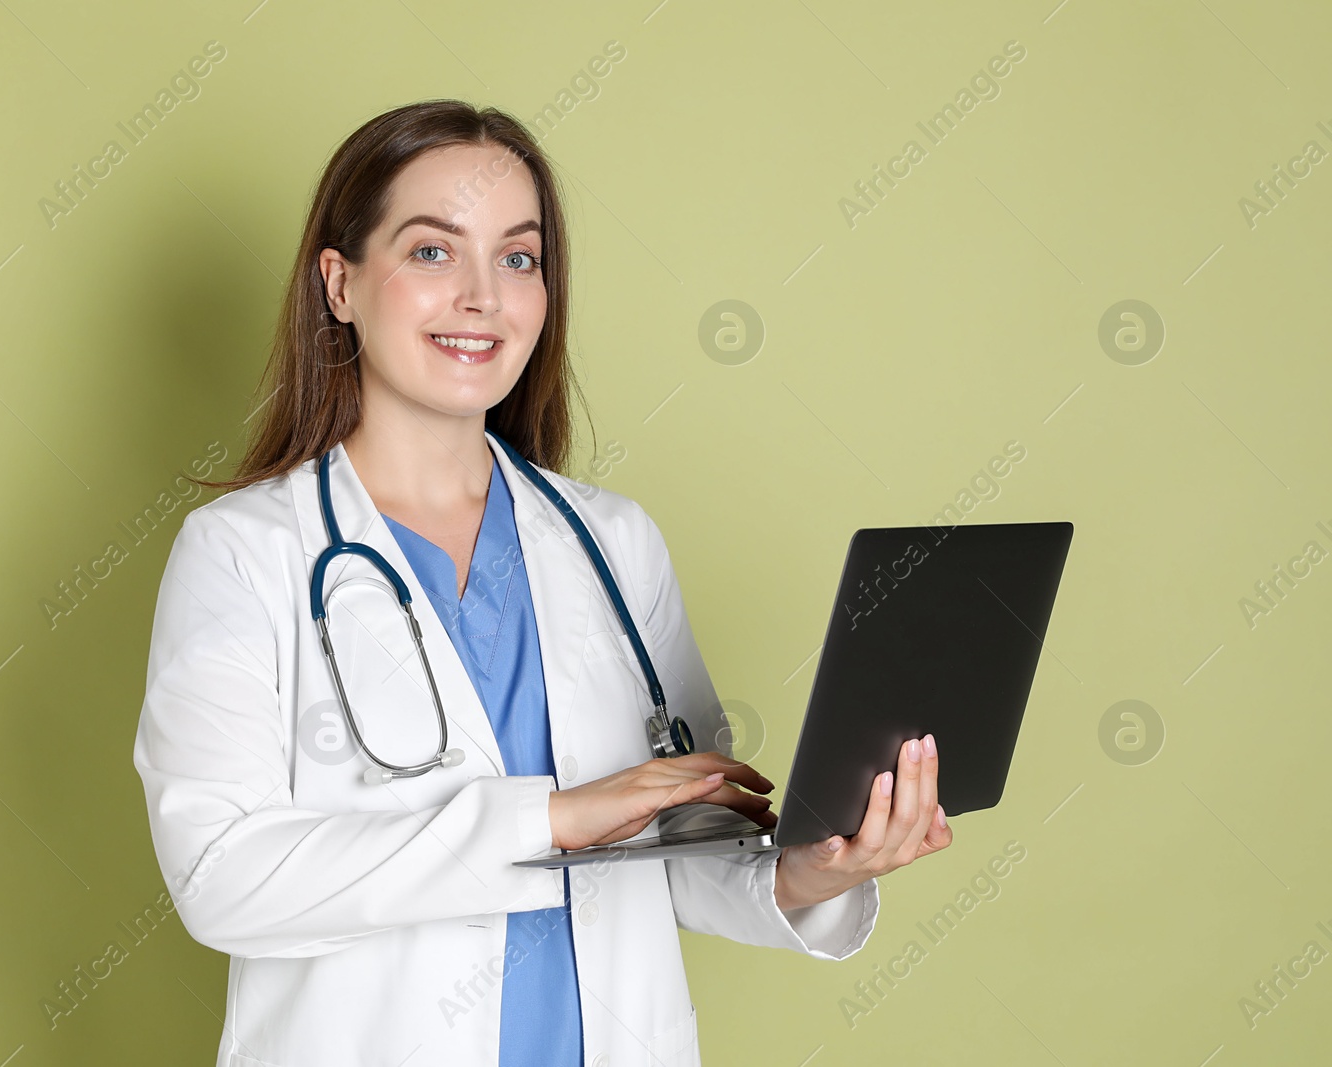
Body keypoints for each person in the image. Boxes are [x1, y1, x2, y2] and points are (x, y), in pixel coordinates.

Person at [132, 99, 951, 1067]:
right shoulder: (244, 552)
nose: (481, 296)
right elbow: (222, 877)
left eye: (517, 258)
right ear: (339, 282)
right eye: (433, 252)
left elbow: (681, 858)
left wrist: (818, 868)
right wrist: (554, 818)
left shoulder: (611, 542)